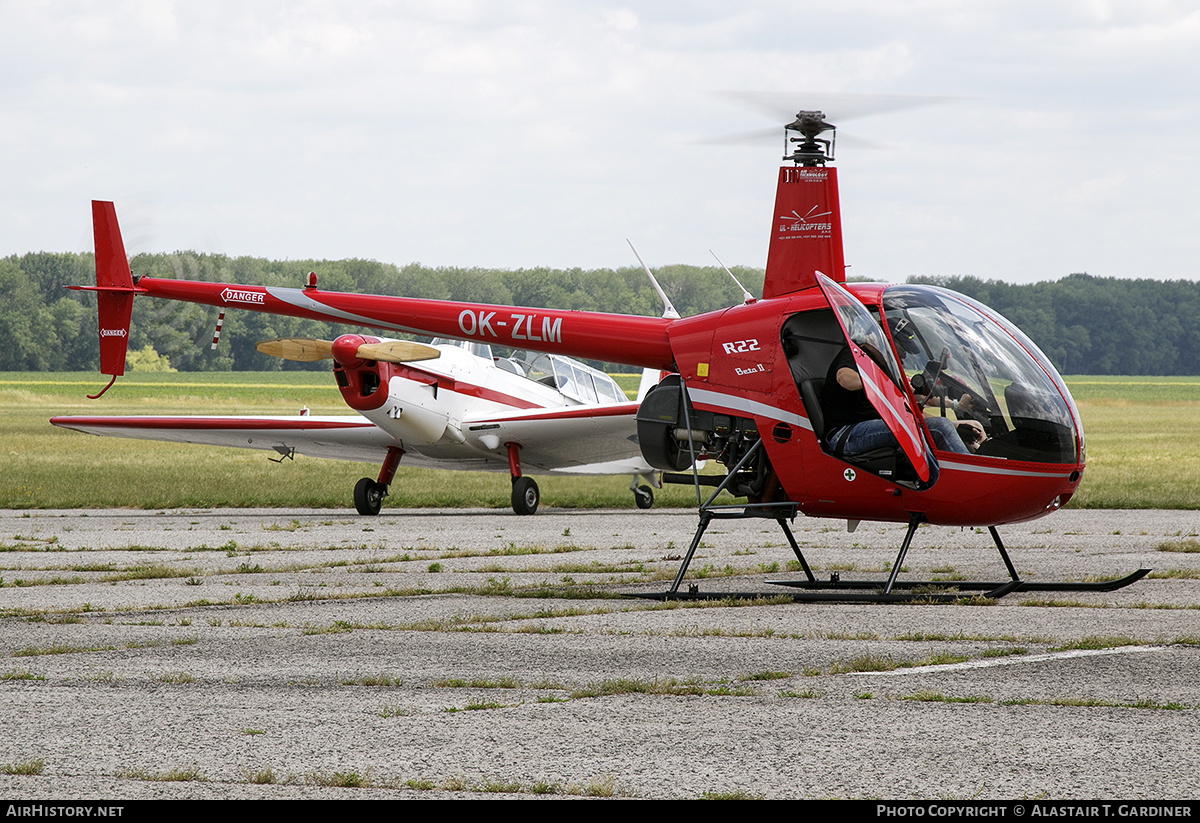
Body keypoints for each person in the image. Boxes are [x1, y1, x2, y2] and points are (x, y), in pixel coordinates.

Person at [820, 345, 973, 456]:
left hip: (870, 428)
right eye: (903, 348)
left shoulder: (887, 368)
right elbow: (844, 378)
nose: (904, 356)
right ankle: (963, 480)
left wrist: (956, 423)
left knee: (945, 425)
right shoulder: (856, 353)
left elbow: (913, 406)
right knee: (927, 428)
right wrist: (881, 380)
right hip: (846, 434)